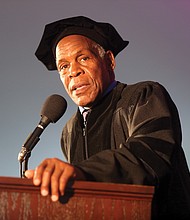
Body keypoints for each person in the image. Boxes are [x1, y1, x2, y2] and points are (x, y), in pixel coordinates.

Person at [25, 16, 190, 219]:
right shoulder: (69, 131)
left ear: (109, 60)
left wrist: (83, 173)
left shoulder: (143, 96)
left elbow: (148, 157)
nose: (73, 72)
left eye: (83, 58)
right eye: (63, 66)